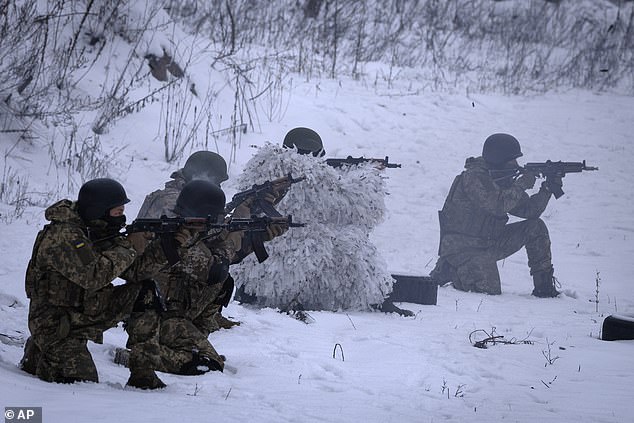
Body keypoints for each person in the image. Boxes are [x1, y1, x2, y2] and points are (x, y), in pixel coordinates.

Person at [232, 127, 412, 316]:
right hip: (301, 266)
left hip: (263, 272)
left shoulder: (261, 168)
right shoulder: (314, 175)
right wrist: (370, 173)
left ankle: (247, 293)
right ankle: (378, 299)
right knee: (353, 240)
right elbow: (359, 206)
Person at [19, 178, 179, 389]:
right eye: (117, 212)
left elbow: (136, 273)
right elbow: (94, 276)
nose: (121, 217)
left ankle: (143, 374)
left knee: (145, 291)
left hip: (82, 311)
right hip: (57, 323)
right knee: (81, 383)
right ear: (98, 211)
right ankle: (44, 349)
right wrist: (128, 247)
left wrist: (171, 245)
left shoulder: (96, 228)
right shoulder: (64, 236)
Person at [430, 133, 562, 297]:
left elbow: (529, 211)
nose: (516, 164)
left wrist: (547, 189)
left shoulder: (501, 179)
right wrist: (521, 185)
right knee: (488, 291)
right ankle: (452, 269)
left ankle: (544, 288)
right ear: (499, 158)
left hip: (487, 242)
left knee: (536, 227)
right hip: (462, 247)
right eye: (512, 160)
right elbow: (497, 206)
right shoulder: (473, 178)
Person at [132, 150, 239, 330]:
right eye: (217, 182)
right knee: (217, 272)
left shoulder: (182, 195)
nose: (219, 187)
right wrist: (232, 237)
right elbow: (203, 258)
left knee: (222, 272)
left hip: (162, 272)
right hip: (157, 284)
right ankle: (180, 321)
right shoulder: (172, 200)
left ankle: (199, 318)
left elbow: (205, 237)